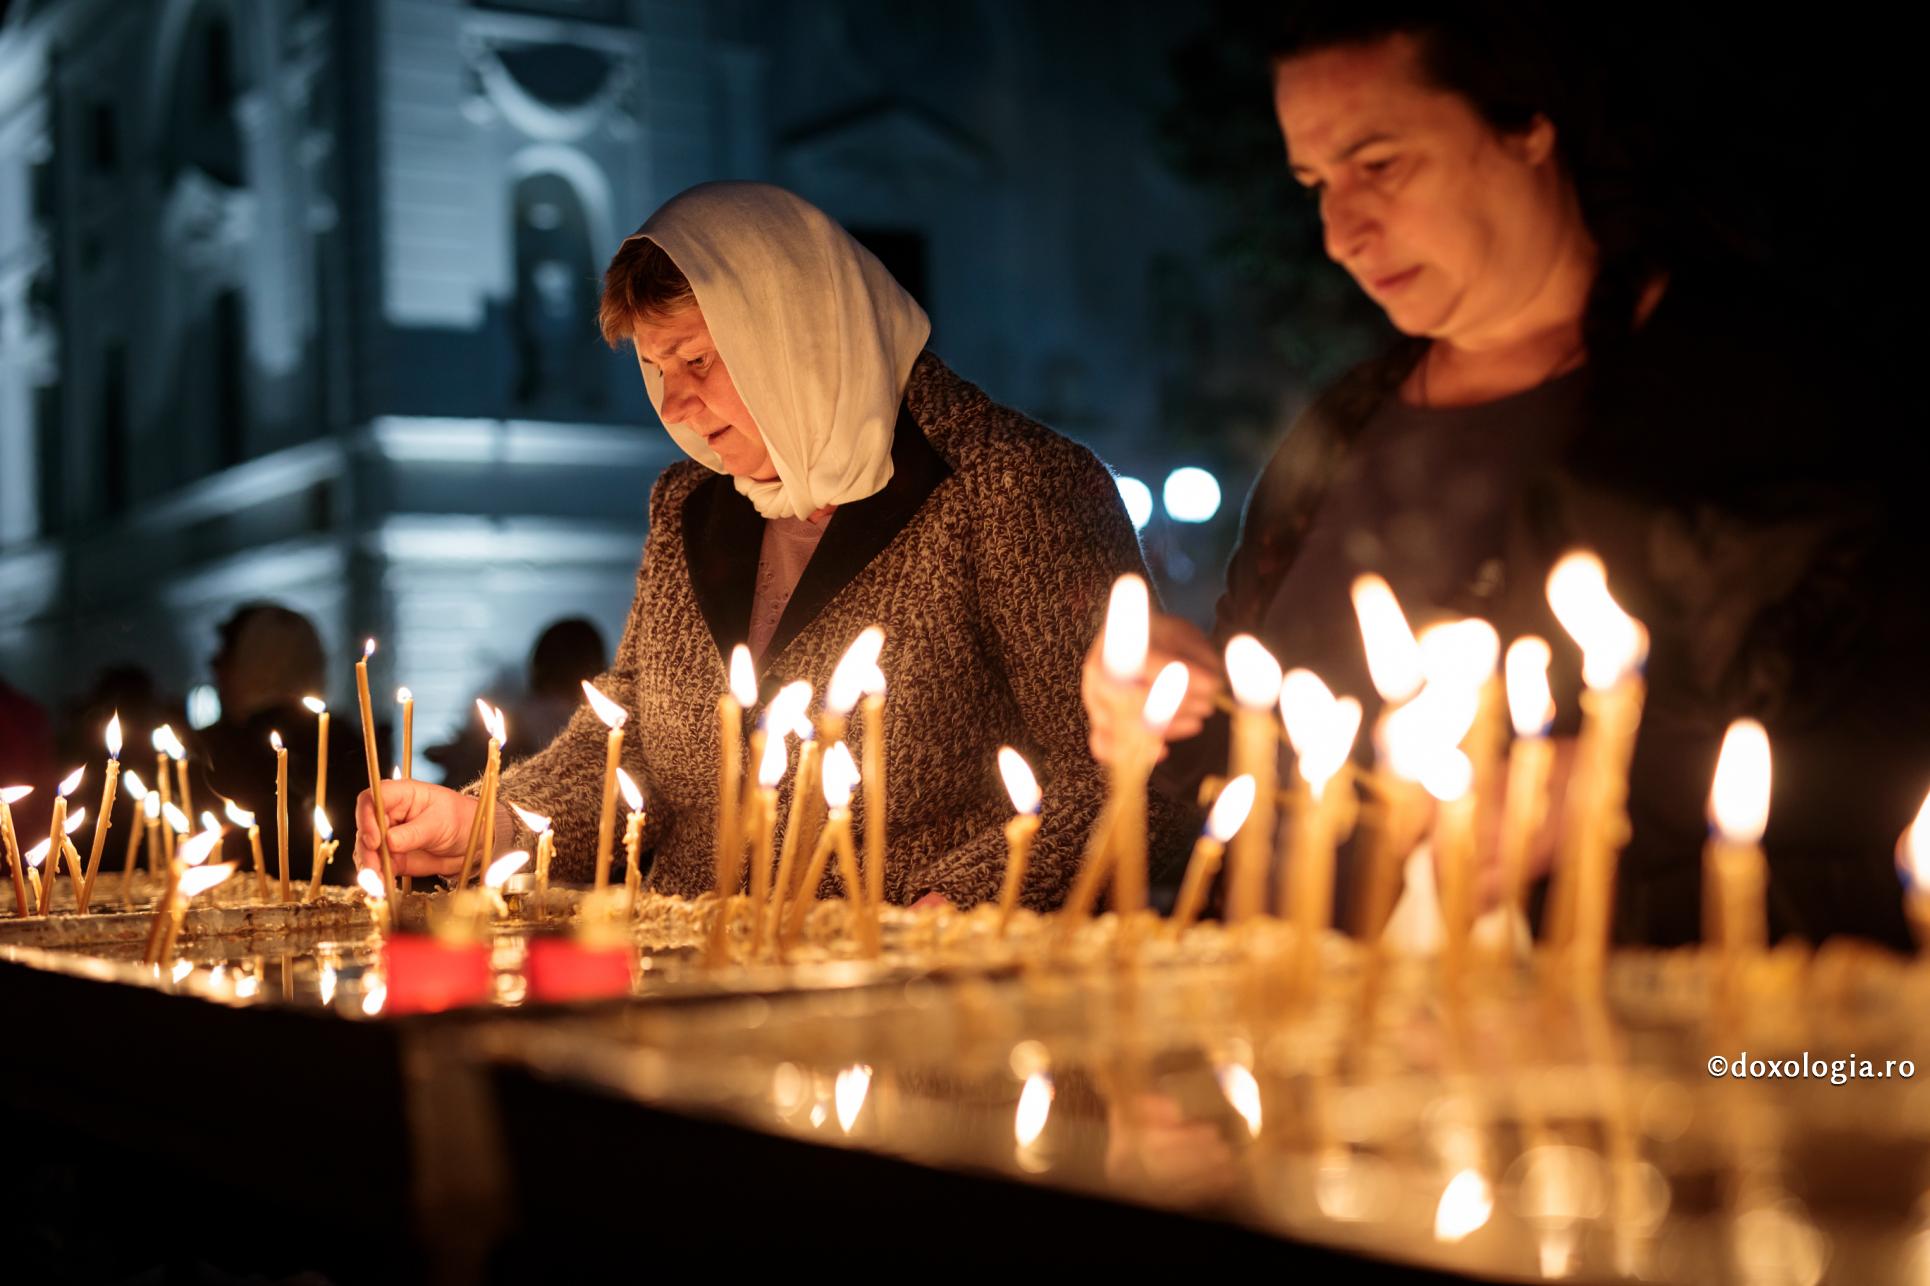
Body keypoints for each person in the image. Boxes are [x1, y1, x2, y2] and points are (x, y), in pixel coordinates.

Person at [1086, 3, 1928, 949]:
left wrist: (1618, 780)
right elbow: (1292, 752)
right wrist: (1186, 709)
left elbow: (1887, 722)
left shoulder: (1749, 387)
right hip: (1309, 1009)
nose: (1340, 232)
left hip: (1652, 1010)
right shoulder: (1349, 422)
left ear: (1528, 123)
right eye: (1316, 183)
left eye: (1380, 165)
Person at [357, 182, 1189, 908]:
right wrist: (485, 823)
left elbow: (1127, 781)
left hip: (921, 1001)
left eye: (697, 359)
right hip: (696, 982)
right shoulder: (691, 507)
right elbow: (635, 743)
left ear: (796, 336)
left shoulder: (1006, 485)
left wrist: (955, 906)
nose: (675, 404)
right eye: (657, 369)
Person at [196, 603, 367, 884]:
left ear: (249, 663)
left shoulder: (222, 747)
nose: (216, 672)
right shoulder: (347, 738)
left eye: (223, 659)